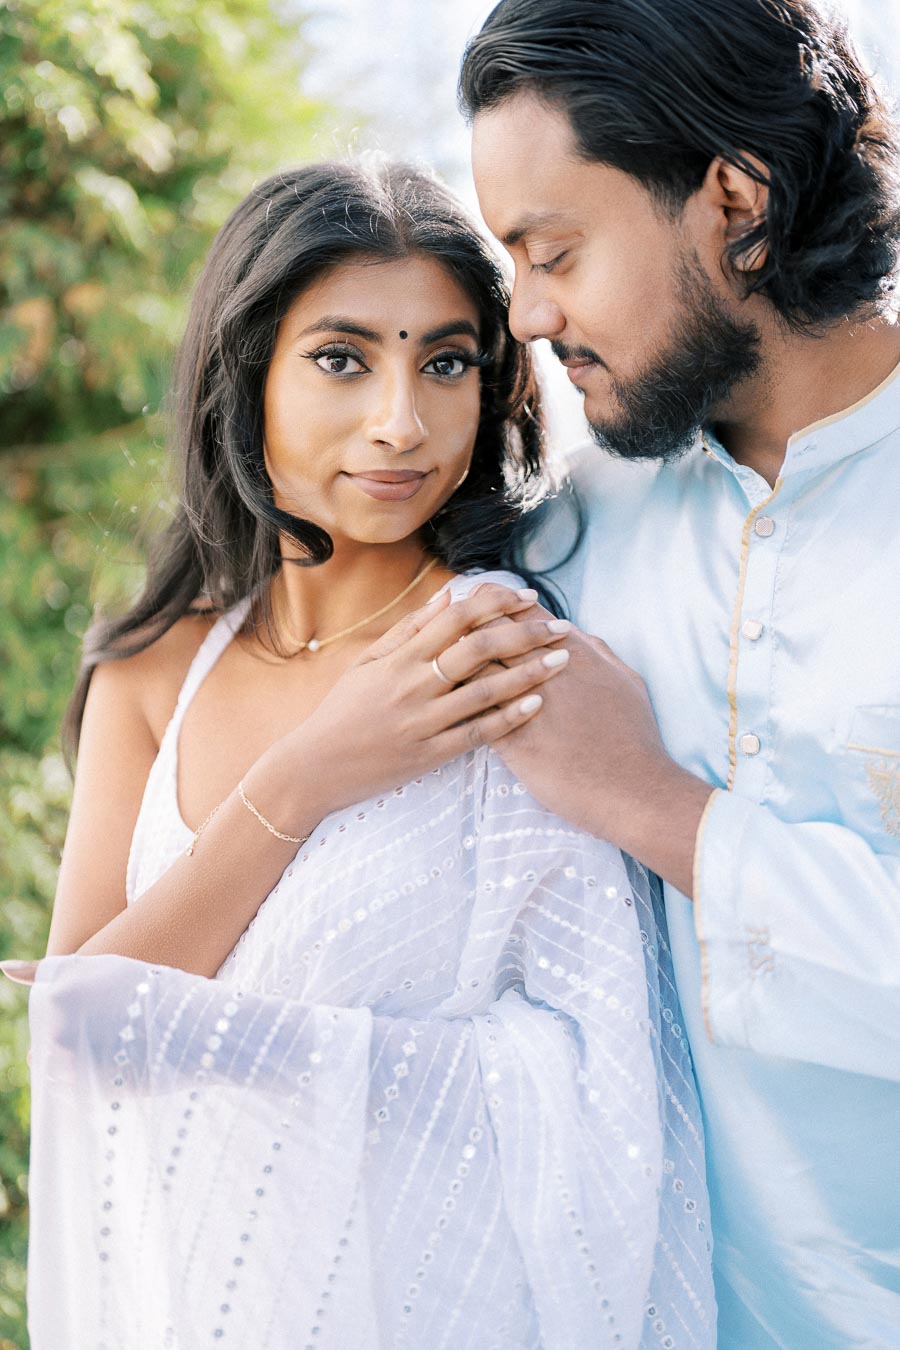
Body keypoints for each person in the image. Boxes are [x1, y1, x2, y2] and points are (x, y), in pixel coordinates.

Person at [0, 160, 715, 1348]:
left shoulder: (504, 663)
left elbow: (602, 1087)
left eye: (446, 362)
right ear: (249, 375)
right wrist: (309, 773)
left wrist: (206, 1032)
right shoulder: (150, 673)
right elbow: (78, 1036)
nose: (402, 421)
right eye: (342, 359)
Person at [451, 0, 900, 1345]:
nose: (528, 314)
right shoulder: (570, 536)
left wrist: (653, 800)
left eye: (558, 251)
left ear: (734, 201)